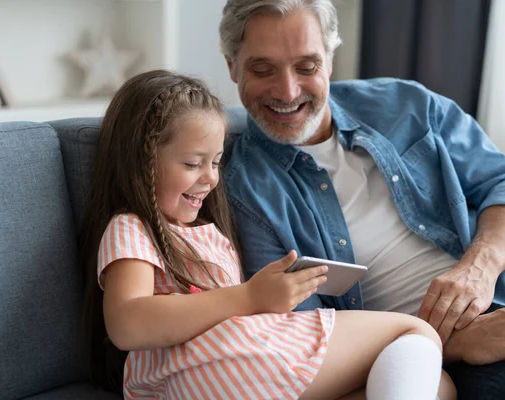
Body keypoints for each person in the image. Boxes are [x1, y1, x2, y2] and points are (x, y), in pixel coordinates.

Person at [218, 0, 505, 398]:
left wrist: (478, 270)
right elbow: (306, 338)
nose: (288, 91)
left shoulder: (405, 104)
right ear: (232, 66)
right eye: (262, 69)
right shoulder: (244, 189)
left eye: (307, 66)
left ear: (329, 59)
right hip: (460, 349)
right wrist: (450, 343)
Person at [79, 69, 457, 399]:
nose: (211, 179)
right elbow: (126, 323)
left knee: (438, 385)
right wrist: (249, 297)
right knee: (415, 331)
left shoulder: (206, 233)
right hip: (223, 371)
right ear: (140, 160)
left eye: (215, 162)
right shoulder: (131, 226)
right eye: (193, 163)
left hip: (234, 372)